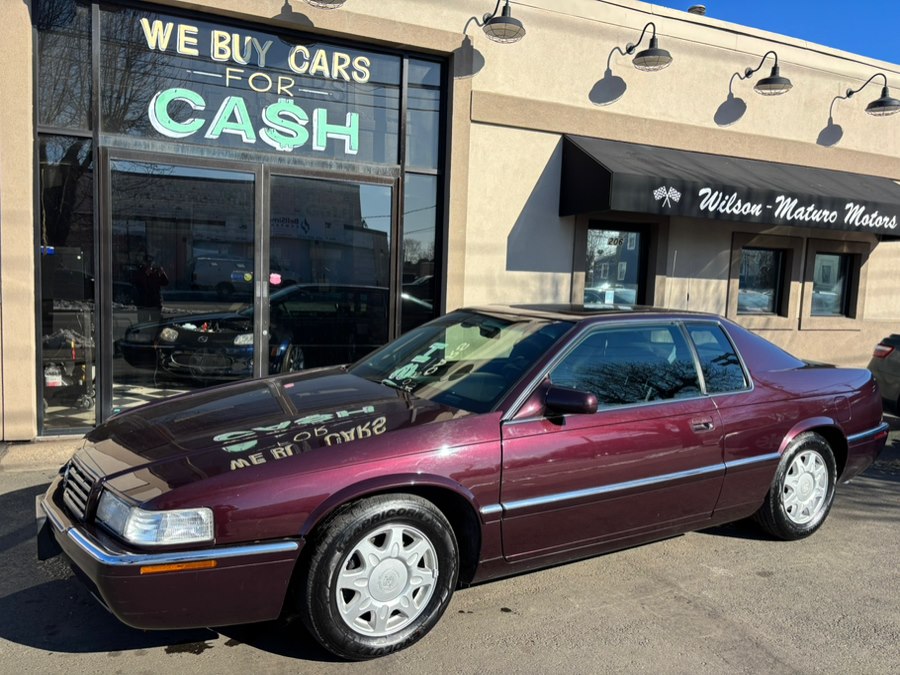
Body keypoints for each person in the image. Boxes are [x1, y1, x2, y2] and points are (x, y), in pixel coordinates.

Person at [133, 254, 169, 325]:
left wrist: (162, 273)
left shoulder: (155, 272)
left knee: (155, 324)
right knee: (143, 324)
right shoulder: (140, 272)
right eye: (148, 264)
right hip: (144, 304)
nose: (150, 266)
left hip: (155, 303)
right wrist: (146, 274)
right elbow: (136, 282)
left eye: (151, 263)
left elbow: (165, 282)